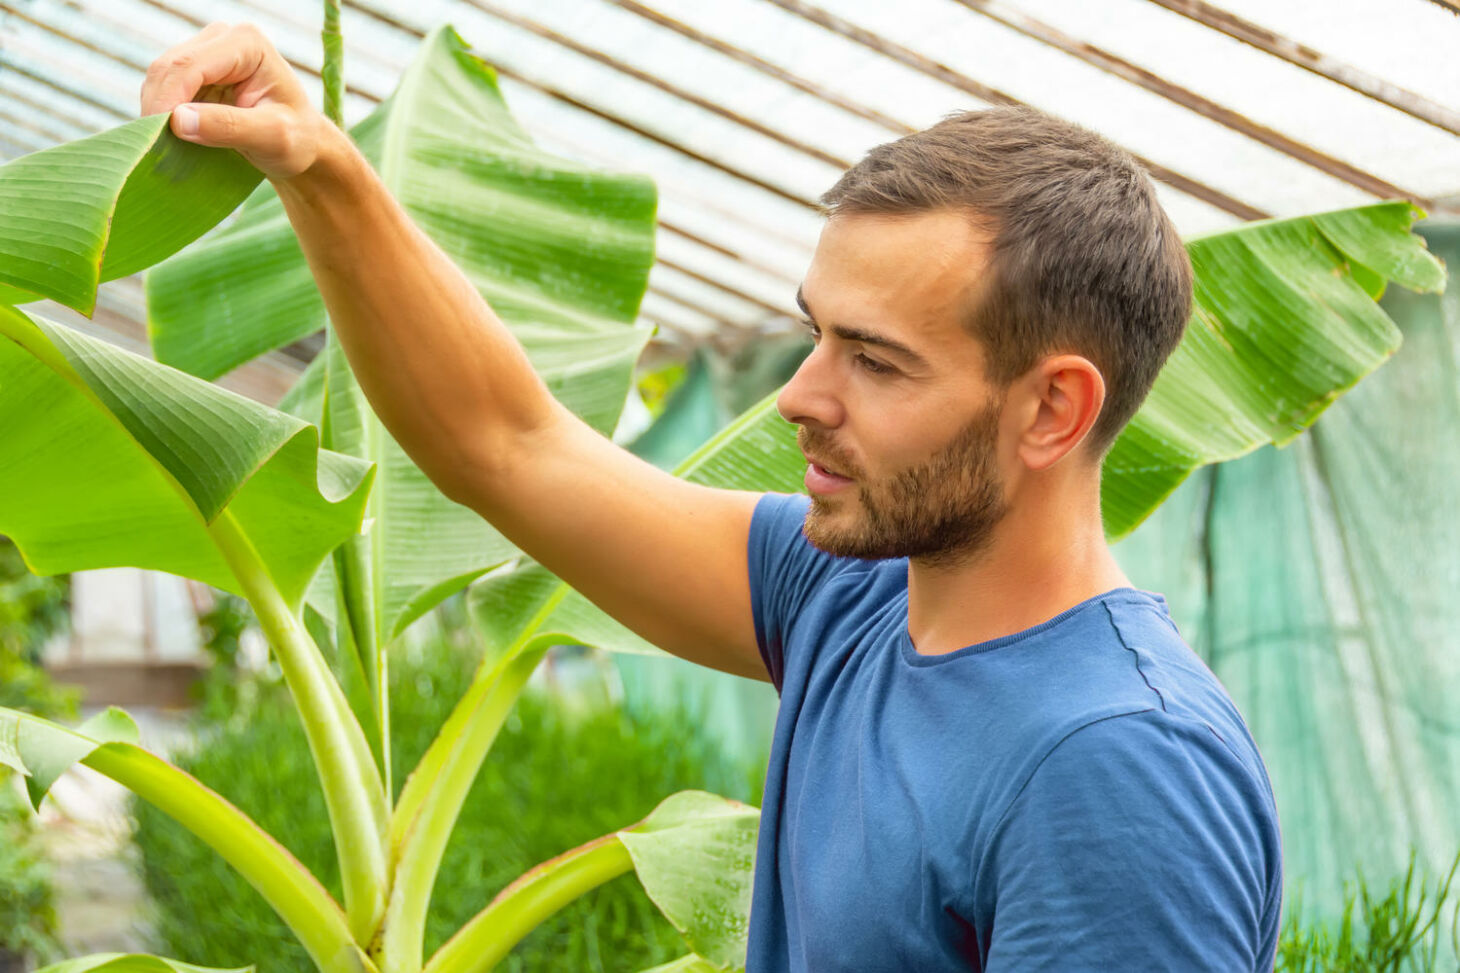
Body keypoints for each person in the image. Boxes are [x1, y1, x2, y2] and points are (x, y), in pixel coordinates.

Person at [142, 22, 1282, 971]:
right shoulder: (847, 597)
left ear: (1051, 410)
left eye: (874, 361)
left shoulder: (1114, 767)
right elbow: (508, 444)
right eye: (813, 333)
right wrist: (324, 169)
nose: (799, 396)